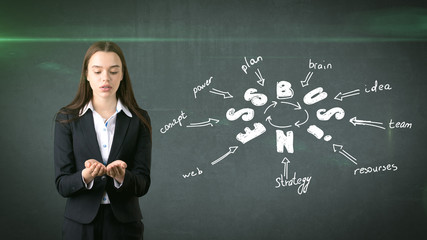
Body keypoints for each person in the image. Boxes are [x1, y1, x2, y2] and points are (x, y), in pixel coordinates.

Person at [54, 41, 152, 240]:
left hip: (125, 227)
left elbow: (143, 183)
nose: (105, 78)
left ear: (122, 74)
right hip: (79, 227)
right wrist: (86, 175)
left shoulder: (139, 120)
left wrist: (122, 176)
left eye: (113, 71)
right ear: (86, 75)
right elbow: (62, 184)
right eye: (97, 71)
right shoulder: (66, 118)